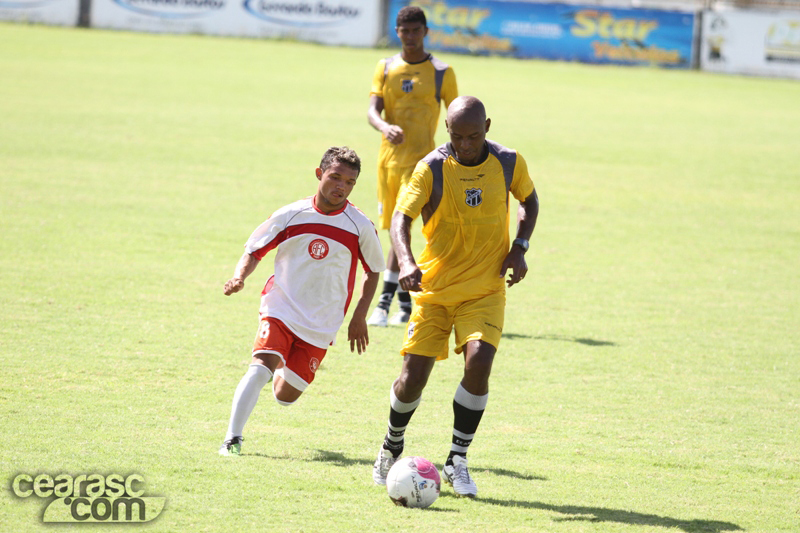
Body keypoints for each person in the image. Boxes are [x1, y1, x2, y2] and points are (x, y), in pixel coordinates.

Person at [371, 96, 539, 497]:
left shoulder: (509, 162)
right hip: (434, 289)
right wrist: (408, 262)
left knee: (479, 362)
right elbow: (400, 217)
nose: (465, 145)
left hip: (484, 289)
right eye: (458, 136)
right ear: (447, 129)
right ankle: (392, 443)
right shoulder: (430, 168)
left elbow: (529, 201)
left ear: (488, 127)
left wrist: (521, 245)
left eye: (474, 136)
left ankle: (457, 459)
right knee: (413, 380)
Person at [219, 146, 385, 456]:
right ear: (319, 174)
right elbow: (254, 249)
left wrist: (360, 316)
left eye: (349, 182)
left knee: (284, 397)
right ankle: (232, 439)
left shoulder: (359, 225)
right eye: (335, 177)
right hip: (280, 306)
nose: (341, 187)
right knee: (260, 368)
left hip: (322, 321)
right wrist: (240, 276)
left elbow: (374, 270)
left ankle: (281, 360)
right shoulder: (291, 214)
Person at [366, 5, 458, 327]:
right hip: (387, 162)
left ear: (425, 32)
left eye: (415, 30)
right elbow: (372, 110)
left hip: (421, 164)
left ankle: (385, 303)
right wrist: (383, 127)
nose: (410, 37)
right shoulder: (386, 66)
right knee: (393, 230)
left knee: (399, 226)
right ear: (397, 32)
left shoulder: (442, 72)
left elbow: (454, 117)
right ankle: (404, 306)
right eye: (404, 31)